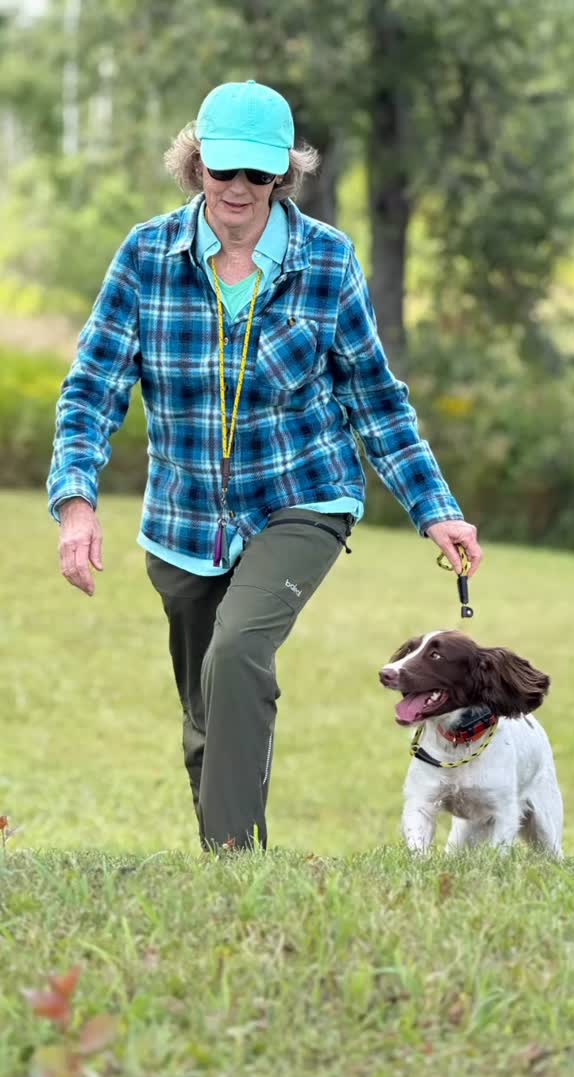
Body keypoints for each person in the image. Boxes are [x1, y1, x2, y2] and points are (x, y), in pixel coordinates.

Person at [48, 79, 482, 853]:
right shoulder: (147, 256)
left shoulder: (325, 261)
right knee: (207, 712)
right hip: (182, 520)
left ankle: (238, 864)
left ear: (283, 175)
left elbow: (375, 400)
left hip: (303, 498)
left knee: (241, 649)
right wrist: (76, 501)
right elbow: (93, 387)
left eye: (259, 174)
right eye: (224, 171)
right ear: (196, 166)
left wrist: (435, 506)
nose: (239, 190)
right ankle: (225, 875)